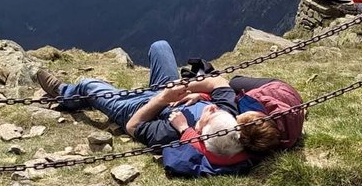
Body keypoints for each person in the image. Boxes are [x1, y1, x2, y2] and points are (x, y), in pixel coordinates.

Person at [36, 40, 252, 178]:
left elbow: (133, 126)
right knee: (160, 47)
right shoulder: (228, 116)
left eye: (210, 114)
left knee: (87, 84)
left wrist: (162, 99)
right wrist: (189, 88)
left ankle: (66, 94)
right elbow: (218, 82)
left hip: (142, 108)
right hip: (173, 91)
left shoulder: (173, 132)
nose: (212, 108)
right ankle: (91, 97)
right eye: (217, 110)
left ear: (201, 133)